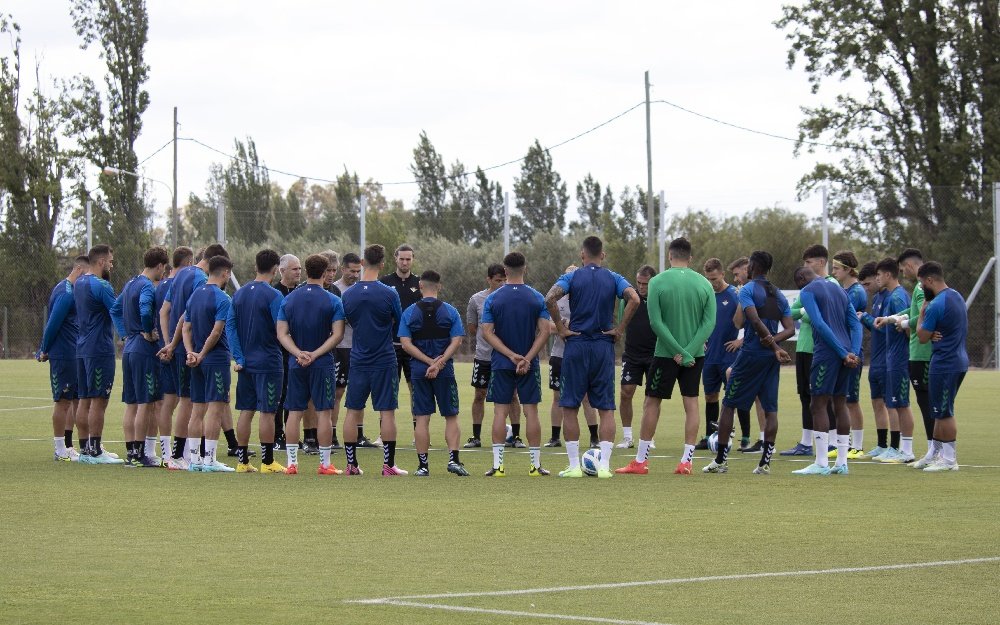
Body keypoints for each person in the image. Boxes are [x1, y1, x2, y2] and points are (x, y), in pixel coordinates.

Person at [616, 238, 715, 476]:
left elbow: (656, 323)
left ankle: (640, 462)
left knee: (652, 402)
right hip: (694, 356)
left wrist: (677, 351)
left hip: (665, 354)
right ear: (690, 258)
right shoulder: (704, 284)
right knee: (691, 403)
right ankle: (686, 462)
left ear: (670, 256)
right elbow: (709, 322)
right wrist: (689, 351)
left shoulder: (657, 282)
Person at [545, 237, 639, 478]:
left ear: (582, 255)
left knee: (569, 406)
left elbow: (549, 298)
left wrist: (561, 327)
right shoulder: (614, 278)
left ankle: (575, 466)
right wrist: (619, 330)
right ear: (603, 255)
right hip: (602, 346)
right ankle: (605, 467)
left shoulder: (573, 277)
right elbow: (635, 299)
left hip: (576, 345)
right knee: (606, 408)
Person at [701, 251, 794, 475]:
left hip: (751, 354)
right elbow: (790, 329)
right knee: (770, 409)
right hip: (770, 358)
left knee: (728, 404)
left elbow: (751, 319)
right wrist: (775, 345)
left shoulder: (749, 290)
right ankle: (764, 464)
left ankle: (721, 461)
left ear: (752, 266)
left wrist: (769, 342)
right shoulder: (778, 293)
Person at [159, 243, 234, 468]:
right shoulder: (208, 287)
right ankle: (198, 457)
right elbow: (216, 329)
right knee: (204, 404)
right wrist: (195, 351)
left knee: (190, 402)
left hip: (186, 350)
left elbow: (167, 312)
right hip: (205, 353)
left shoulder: (181, 275)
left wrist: (171, 344)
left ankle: (189, 456)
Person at [481, 251, 552, 477]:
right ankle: (534, 466)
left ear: (504, 270)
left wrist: (511, 356)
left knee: (499, 413)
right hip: (528, 365)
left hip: (502, 364)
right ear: (525, 268)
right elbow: (545, 331)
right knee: (531, 412)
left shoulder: (493, 298)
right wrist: (527, 357)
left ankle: (498, 466)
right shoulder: (536, 297)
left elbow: (487, 333)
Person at [276, 254, 346, 475]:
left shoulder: (289, 299)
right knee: (324, 412)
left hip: (297, 363)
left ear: (306, 270)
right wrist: (315, 354)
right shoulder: (333, 300)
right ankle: (325, 464)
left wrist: (299, 353)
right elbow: (338, 335)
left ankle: (292, 463)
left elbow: (281, 333)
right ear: (325, 272)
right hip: (322, 363)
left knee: (294, 412)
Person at [790, 265, 862, 475]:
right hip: (848, 352)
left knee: (818, 404)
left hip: (827, 353)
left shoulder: (808, 291)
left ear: (802, 279)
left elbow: (819, 323)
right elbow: (855, 324)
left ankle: (821, 462)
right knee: (840, 404)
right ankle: (842, 463)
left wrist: (840, 352)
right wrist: (853, 353)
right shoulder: (839, 289)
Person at [342, 244, 406, 476]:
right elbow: (400, 324)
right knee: (387, 412)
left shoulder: (348, 294)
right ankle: (388, 466)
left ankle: (351, 465)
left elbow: (346, 321)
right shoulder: (389, 293)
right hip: (384, 358)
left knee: (352, 410)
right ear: (382, 264)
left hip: (358, 359)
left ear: (361, 262)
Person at [399, 270, 469, 476]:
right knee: (451, 415)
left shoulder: (410, 311)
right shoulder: (450, 311)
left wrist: (428, 362)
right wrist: (439, 362)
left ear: (420, 285)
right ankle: (454, 460)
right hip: (444, 369)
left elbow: (405, 343)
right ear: (439, 286)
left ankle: (423, 466)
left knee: (421, 417)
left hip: (419, 370)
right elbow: (457, 340)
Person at [226, 249, 287, 474]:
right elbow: (280, 328)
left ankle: (242, 462)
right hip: (269, 362)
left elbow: (230, 327)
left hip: (246, 364)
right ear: (275, 270)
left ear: (255, 267)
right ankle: (268, 461)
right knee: (268, 412)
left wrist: (239, 356)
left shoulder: (239, 294)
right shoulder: (274, 296)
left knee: (246, 410)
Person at [111, 246, 169, 468]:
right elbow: (145, 310)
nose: (163, 274)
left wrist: (125, 334)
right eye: (163, 269)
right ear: (160, 266)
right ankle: (138, 454)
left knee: (132, 403)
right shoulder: (146, 286)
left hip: (130, 349)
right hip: (144, 349)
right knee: (146, 402)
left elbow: (115, 310)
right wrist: (146, 330)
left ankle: (131, 453)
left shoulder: (130, 283)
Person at [781, 244, 838, 457]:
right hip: (804, 347)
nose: (805, 267)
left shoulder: (831, 283)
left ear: (821, 262)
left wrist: (805, 311)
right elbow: (791, 312)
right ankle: (806, 442)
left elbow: (818, 315)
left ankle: (832, 441)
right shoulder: (806, 289)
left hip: (820, 348)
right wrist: (805, 310)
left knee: (823, 396)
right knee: (805, 395)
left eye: (809, 262)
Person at [182, 255, 236, 473]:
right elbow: (216, 331)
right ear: (224, 273)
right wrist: (202, 353)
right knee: (215, 408)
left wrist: (190, 353)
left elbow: (186, 328)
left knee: (197, 409)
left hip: (196, 360)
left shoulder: (195, 295)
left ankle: (194, 459)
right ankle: (209, 460)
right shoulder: (223, 298)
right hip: (215, 359)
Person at [884, 249, 936, 467]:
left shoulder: (922, 288)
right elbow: (915, 310)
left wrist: (905, 323)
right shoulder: (917, 288)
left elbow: (926, 313)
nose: (902, 271)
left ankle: (937, 450)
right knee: (925, 403)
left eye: (903, 267)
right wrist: (893, 318)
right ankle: (934, 450)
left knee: (929, 404)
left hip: (923, 353)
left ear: (911, 265)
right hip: (916, 352)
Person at [915, 261, 967, 472]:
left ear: (929, 280)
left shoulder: (935, 304)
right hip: (957, 359)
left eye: (921, 284)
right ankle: (934, 453)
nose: (921, 288)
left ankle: (949, 459)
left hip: (945, 363)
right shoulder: (956, 295)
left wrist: (922, 313)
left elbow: (922, 336)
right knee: (938, 409)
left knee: (945, 411)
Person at [37, 254, 89, 461]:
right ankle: (59, 448)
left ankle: (68, 445)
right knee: (63, 401)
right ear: (78, 269)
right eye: (85, 275)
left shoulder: (69, 290)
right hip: (64, 354)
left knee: (72, 400)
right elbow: (52, 323)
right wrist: (44, 348)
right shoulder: (66, 293)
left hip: (73, 353)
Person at [74, 244, 123, 464]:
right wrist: (127, 334)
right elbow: (116, 311)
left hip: (82, 347)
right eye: (110, 262)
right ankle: (95, 450)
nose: (111, 265)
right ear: (101, 262)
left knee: (84, 399)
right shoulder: (102, 285)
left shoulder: (79, 282)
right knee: (99, 400)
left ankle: (85, 448)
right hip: (99, 349)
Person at [465, 264, 523, 448]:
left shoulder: (511, 298)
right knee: (479, 394)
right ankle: (476, 437)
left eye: (504, 280)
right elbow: (472, 328)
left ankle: (516, 437)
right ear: (488, 279)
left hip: (507, 357)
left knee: (512, 396)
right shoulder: (476, 299)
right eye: (498, 280)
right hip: (484, 357)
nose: (501, 284)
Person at [545, 264, 599, 449]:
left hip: (581, 355)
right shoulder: (556, 300)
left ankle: (594, 438)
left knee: (585, 397)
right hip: (559, 355)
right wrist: (563, 324)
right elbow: (548, 326)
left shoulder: (587, 299)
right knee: (558, 396)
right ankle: (554, 437)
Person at [871, 257, 915, 463]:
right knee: (895, 402)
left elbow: (908, 328)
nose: (877, 279)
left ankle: (902, 449)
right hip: (892, 357)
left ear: (888, 275)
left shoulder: (897, 297)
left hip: (899, 358)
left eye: (879, 275)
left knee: (901, 403)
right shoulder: (891, 296)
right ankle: (896, 448)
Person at [700, 258, 743, 450]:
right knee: (710, 396)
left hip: (729, 355)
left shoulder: (734, 295)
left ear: (723, 274)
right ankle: (710, 435)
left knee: (733, 396)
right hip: (710, 355)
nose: (712, 283)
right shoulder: (706, 295)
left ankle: (742, 437)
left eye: (715, 279)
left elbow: (750, 319)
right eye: (708, 279)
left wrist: (740, 341)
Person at [830, 251, 868, 459]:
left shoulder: (856, 292)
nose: (833, 272)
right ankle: (845, 442)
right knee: (842, 399)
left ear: (847, 269)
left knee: (851, 399)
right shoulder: (844, 290)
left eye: (836, 268)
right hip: (842, 350)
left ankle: (858, 446)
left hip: (852, 351)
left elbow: (851, 322)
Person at [726, 256, 766, 451]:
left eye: (736, 274)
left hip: (755, 351)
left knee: (734, 391)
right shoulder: (749, 291)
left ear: (747, 269)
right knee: (759, 395)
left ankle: (728, 435)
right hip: (755, 349)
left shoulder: (754, 291)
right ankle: (761, 440)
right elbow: (739, 322)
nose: (735, 279)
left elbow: (751, 322)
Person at [616, 265, 657, 450]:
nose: (641, 287)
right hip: (632, 354)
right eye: (639, 283)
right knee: (626, 392)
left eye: (645, 284)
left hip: (655, 355)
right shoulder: (630, 300)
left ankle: (649, 438)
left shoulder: (659, 299)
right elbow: (620, 323)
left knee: (652, 397)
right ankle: (627, 437)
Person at [380, 244, 421, 425]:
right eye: (402, 258)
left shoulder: (419, 283)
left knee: (416, 389)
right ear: (395, 258)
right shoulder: (384, 282)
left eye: (408, 259)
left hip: (413, 346)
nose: (405, 262)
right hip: (390, 346)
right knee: (390, 389)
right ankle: (384, 433)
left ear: (413, 260)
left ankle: (417, 431)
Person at [858, 261, 895, 458]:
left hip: (888, 359)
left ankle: (896, 446)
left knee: (892, 404)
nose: (866, 288)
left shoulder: (891, 296)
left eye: (867, 283)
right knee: (876, 402)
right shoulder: (878, 297)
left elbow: (883, 325)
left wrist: (864, 318)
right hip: (876, 359)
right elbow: (876, 326)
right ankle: (882, 444)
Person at [332, 252, 363, 449]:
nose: (355, 275)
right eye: (352, 271)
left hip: (359, 348)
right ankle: (332, 433)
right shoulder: (335, 290)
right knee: (338, 391)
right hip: (341, 347)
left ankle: (359, 434)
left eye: (358, 271)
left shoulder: (362, 289)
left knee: (359, 390)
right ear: (343, 269)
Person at [272, 253, 302, 450]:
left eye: (300, 268)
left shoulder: (302, 292)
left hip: (297, 351)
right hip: (279, 351)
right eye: (294, 269)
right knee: (279, 395)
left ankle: (290, 434)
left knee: (294, 395)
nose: (299, 272)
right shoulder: (275, 293)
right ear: (282, 271)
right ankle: (276, 435)